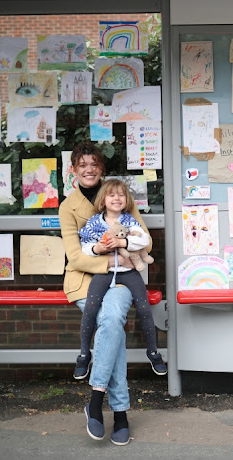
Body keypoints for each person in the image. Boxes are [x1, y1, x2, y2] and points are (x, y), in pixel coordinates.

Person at [60, 141, 152, 446]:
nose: (89, 170)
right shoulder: (67, 207)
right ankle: (121, 414)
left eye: (94, 164)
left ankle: (96, 401)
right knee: (113, 324)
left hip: (123, 279)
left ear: (101, 168)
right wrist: (112, 256)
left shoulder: (118, 196)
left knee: (111, 322)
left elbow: (146, 242)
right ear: (73, 169)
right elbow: (75, 257)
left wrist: (125, 250)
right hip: (85, 281)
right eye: (82, 165)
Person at [75, 179, 166, 379]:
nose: (116, 199)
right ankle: (83, 355)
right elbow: (84, 246)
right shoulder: (94, 222)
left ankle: (153, 352)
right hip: (103, 272)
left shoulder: (129, 221)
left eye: (121, 195)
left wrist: (123, 241)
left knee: (143, 308)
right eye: (111, 195)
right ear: (103, 200)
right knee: (90, 308)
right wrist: (98, 248)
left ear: (127, 200)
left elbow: (144, 239)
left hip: (128, 272)